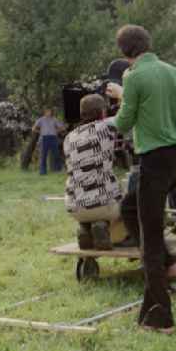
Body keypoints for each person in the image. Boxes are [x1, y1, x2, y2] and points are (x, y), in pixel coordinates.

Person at [106, 24, 176, 334]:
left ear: (124, 52)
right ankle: (156, 292)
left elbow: (123, 123)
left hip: (155, 161)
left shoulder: (134, 76)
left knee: (149, 241)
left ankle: (162, 319)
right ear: (147, 44)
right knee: (129, 209)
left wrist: (121, 96)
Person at [63, 94, 121, 250]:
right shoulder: (106, 126)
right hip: (103, 205)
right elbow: (128, 114)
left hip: (74, 207)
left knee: (88, 195)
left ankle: (85, 228)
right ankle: (103, 226)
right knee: (129, 202)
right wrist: (120, 94)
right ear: (102, 112)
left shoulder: (69, 138)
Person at [33, 108, 65, 175]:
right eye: (47, 111)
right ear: (44, 112)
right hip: (44, 138)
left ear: (51, 112)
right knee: (43, 155)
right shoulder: (41, 120)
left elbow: (62, 128)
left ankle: (58, 169)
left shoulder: (54, 119)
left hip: (53, 138)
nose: (49, 113)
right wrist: (40, 132)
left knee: (56, 154)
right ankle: (42, 171)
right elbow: (33, 128)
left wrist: (56, 131)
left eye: (50, 111)